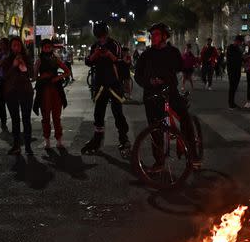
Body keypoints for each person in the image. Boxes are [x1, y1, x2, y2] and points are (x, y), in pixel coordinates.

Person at [134, 23, 198, 169]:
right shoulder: (146, 55)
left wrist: (167, 77)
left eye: (156, 34)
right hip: (151, 94)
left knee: (185, 118)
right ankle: (159, 161)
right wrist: (149, 81)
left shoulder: (173, 52)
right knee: (155, 128)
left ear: (164, 36)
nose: (153, 37)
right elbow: (138, 75)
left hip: (170, 92)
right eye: (152, 35)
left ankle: (193, 153)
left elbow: (180, 67)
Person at [82, 21, 130, 155]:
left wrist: (110, 55)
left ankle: (124, 139)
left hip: (114, 83)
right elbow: (88, 62)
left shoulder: (114, 44)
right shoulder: (94, 46)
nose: (101, 39)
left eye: (102, 36)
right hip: (100, 84)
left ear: (106, 33)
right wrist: (95, 54)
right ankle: (97, 141)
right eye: (99, 36)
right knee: (98, 114)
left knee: (117, 113)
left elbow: (121, 61)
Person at [33, 38, 70, 149]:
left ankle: (59, 140)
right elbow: (34, 77)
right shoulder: (39, 60)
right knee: (45, 118)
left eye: (49, 47)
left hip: (56, 91)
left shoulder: (56, 59)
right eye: (45, 47)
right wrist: (41, 77)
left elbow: (67, 71)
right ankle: (47, 140)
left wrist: (58, 77)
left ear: (52, 48)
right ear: (42, 48)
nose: (47, 49)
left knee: (56, 117)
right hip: (44, 91)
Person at [1, 36, 34, 155]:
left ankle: (28, 145)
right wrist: (14, 65)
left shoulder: (27, 58)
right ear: (11, 47)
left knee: (26, 119)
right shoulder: (7, 60)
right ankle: (16, 145)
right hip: (12, 92)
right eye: (14, 45)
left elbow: (32, 74)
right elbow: (4, 76)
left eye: (18, 45)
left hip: (26, 92)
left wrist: (23, 65)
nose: (16, 48)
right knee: (15, 120)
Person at [226, 35, 244, 109]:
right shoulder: (230, 48)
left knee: (235, 87)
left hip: (237, 69)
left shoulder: (238, 48)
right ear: (237, 41)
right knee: (232, 86)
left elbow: (239, 58)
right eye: (240, 42)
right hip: (232, 70)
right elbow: (233, 58)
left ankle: (232, 102)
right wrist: (241, 58)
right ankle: (231, 103)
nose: (241, 44)